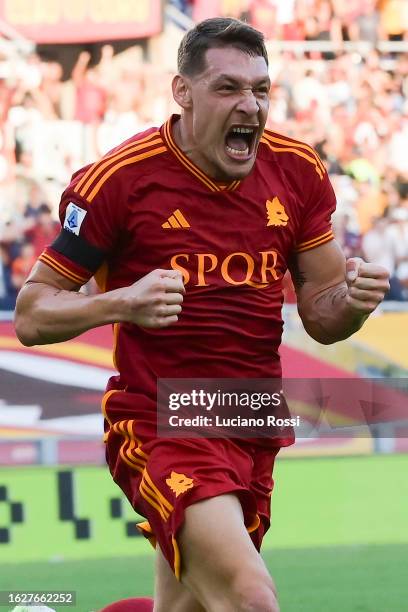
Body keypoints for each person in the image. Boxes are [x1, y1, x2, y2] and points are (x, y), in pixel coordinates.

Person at [14, 18, 390, 612]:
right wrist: (122, 302)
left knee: (189, 605)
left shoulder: (296, 170)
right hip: (162, 416)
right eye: (228, 88)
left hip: (252, 415)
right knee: (249, 597)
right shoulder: (120, 180)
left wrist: (354, 302)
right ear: (182, 92)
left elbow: (323, 313)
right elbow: (33, 314)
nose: (250, 105)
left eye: (261, 90)